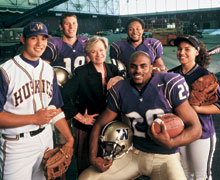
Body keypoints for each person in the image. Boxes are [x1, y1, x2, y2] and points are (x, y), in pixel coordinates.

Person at [78, 51, 202, 180]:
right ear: (127, 67)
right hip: (134, 154)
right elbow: (99, 124)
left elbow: (196, 128)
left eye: (143, 66)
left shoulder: (168, 84)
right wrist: (93, 158)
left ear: (151, 67)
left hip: (165, 157)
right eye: (133, 66)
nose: (138, 70)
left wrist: (171, 143)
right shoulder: (120, 89)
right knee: (88, 178)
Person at [0, 22, 74, 180]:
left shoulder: (49, 71)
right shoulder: (5, 71)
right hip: (17, 144)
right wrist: (33, 118)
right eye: (34, 38)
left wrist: (69, 138)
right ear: (23, 39)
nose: (40, 43)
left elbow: (55, 109)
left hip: (45, 140)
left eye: (43, 38)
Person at [60, 36, 122, 176]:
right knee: (87, 165)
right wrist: (80, 117)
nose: (98, 54)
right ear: (88, 54)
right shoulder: (81, 72)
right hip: (89, 126)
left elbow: (128, 82)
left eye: (101, 50)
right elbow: (63, 96)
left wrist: (119, 78)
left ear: (105, 50)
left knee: (112, 164)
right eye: (93, 52)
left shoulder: (113, 69)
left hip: (111, 126)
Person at [169, 35, 220, 180]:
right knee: (185, 173)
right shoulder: (171, 74)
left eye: (187, 49)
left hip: (202, 133)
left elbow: (219, 106)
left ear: (196, 52)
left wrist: (196, 109)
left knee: (201, 175)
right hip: (179, 131)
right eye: (179, 49)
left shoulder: (205, 76)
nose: (182, 52)